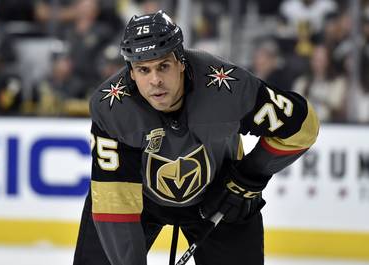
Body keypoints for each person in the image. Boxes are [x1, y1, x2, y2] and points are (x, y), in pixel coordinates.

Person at [73, 10, 319, 265]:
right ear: (131, 73)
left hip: (222, 194)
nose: (155, 80)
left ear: (181, 61)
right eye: (143, 70)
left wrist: (248, 177)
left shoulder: (229, 89)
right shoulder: (112, 109)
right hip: (138, 198)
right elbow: (116, 204)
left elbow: (303, 126)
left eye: (163, 66)